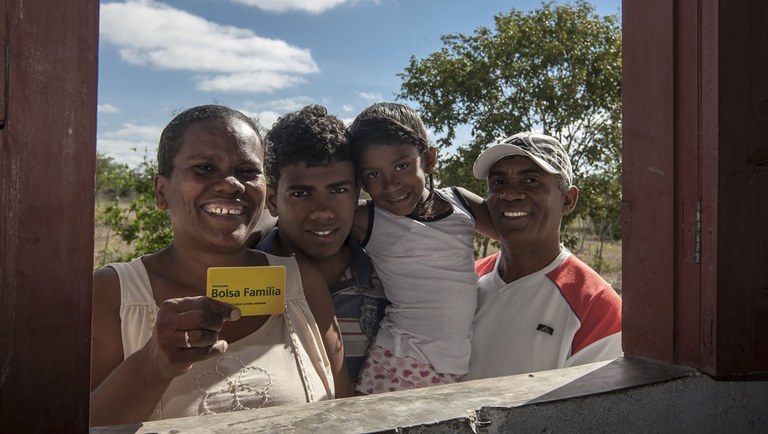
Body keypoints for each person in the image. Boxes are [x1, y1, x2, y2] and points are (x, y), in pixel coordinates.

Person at [90, 104, 350, 426]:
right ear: (161, 191)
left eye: (247, 171)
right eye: (204, 168)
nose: (230, 184)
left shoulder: (300, 284)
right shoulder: (113, 295)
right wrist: (151, 366)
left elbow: (347, 417)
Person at [347, 102, 497, 394]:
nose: (390, 185)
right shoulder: (368, 218)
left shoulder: (459, 202)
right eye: (373, 175)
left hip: (454, 362)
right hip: (398, 361)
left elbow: (514, 233)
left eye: (402, 166)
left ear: (429, 159)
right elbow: (303, 221)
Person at [462, 132, 622, 381]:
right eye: (499, 183)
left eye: (531, 181)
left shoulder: (596, 306)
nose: (510, 194)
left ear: (568, 200)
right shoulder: (465, 280)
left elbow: (591, 413)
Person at [253, 104, 388, 387]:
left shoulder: (390, 276)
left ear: (356, 196)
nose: (322, 212)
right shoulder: (239, 280)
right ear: (273, 200)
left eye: (338, 190)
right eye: (301, 193)